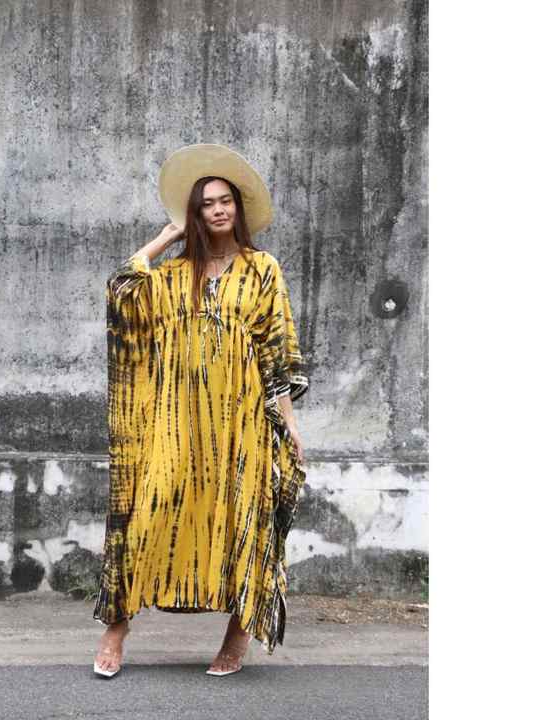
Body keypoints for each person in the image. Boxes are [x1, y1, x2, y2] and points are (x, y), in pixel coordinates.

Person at [92, 144, 309, 678]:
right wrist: (166, 237)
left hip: (241, 423)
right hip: (175, 422)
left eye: (225, 201)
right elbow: (121, 289)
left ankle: (237, 635)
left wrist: (289, 424)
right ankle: (115, 627)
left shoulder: (262, 269)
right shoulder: (171, 276)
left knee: (244, 519)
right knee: (147, 515)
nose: (217, 210)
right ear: (194, 213)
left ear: (238, 207)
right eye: (206, 203)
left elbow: (276, 355)